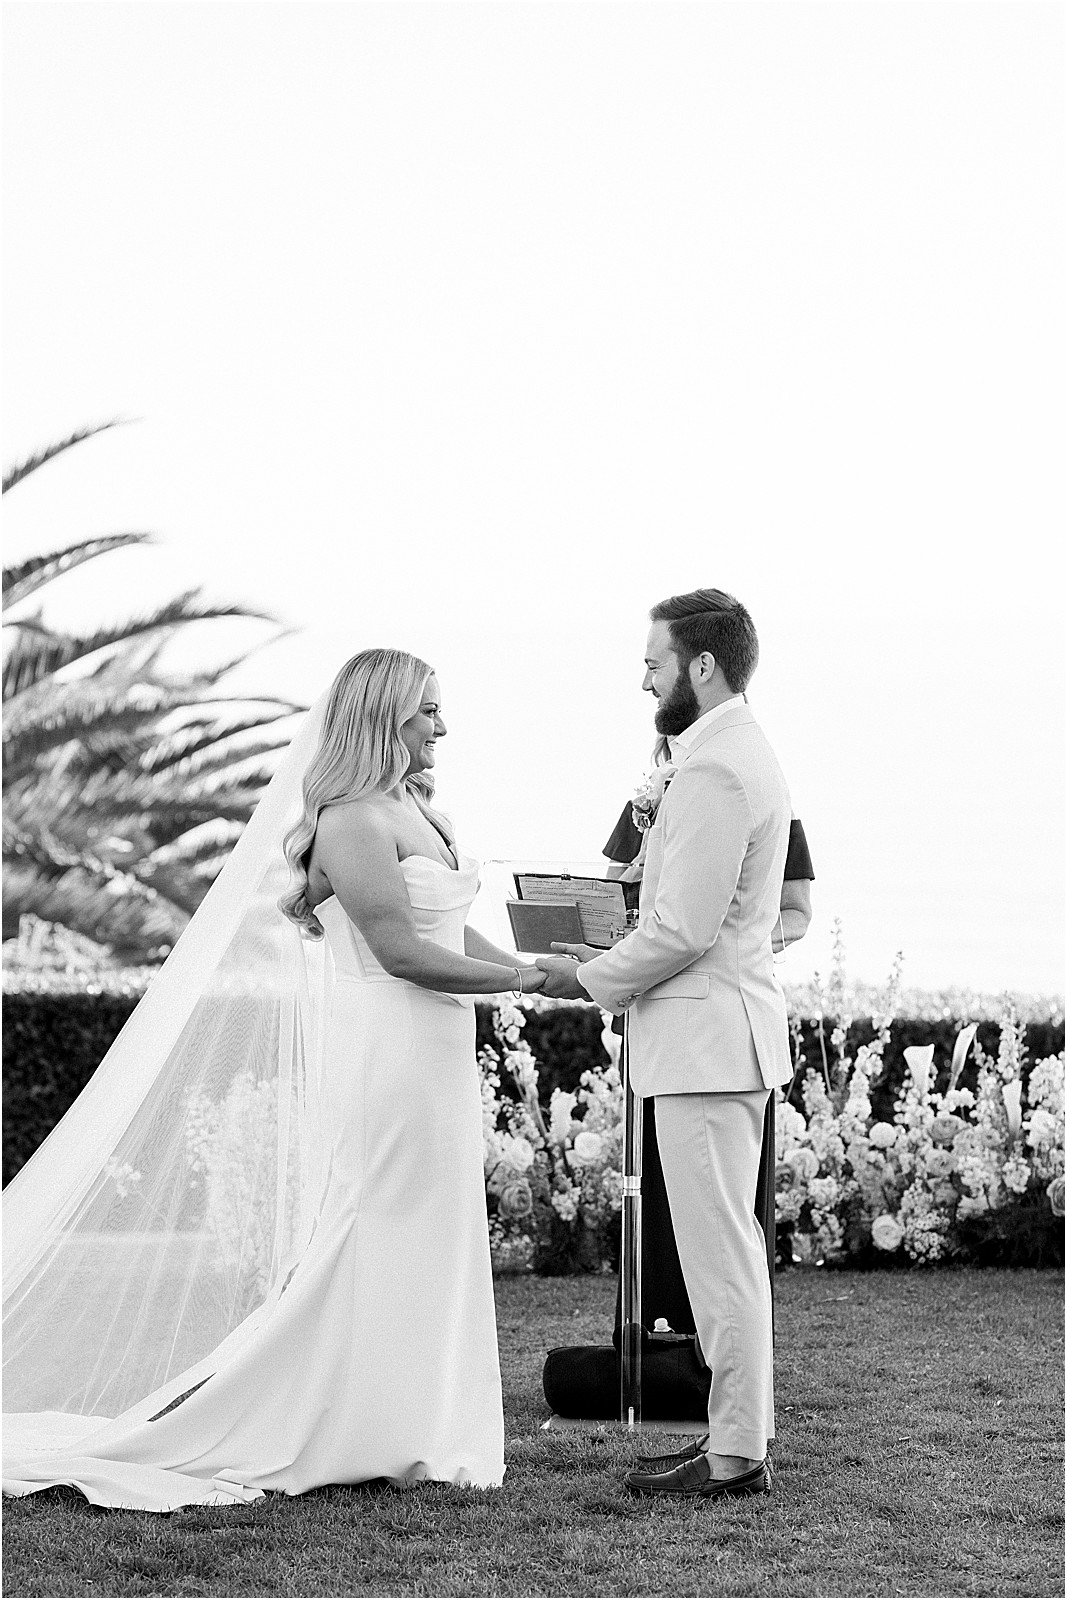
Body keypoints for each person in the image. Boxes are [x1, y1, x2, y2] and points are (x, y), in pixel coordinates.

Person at [3, 648, 545, 1511]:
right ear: (382, 719)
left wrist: (538, 972)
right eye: (426, 712)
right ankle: (332, 1419)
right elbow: (401, 951)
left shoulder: (411, 805)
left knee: (432, 1230)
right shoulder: (354, 820)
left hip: (436, 1049)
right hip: (390, 1047)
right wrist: (521, 984)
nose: (441, 726)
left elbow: (448, 928)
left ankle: (411, 1422)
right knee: (373, 1225)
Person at [538, 588, 794, 1501]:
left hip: (708, 1047)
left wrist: (586, 977)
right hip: (713, 1043)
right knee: (724, 1255)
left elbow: (683, 929)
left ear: (700, 666)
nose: (642, 678)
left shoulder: (717, 769)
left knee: (719, 1259)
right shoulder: (724, 755)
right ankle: (737, 1442)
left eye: (653, 662)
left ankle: (733, 1457)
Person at [601, 805, 813, 1342]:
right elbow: (606, 902)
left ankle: (725, 1349)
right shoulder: (644, 808)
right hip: (654, 1014)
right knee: (648, 1182)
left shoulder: (767, 809)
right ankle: (648, 1336)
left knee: (724, 1208)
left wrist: (727, 937)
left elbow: (797, 913)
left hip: (718, 1025)